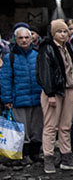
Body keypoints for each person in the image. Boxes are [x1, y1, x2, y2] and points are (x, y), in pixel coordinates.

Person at [36, 19, 73, 173]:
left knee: (65, 126)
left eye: (65, 31)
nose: (63, 34)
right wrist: (49, 93)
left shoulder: (67, 47)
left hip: (69, 90)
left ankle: (66, 157)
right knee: (51, 126)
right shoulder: (47, 48)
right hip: (54, 91)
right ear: (53, 33)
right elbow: (44, 72)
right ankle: (48, 158)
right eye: (59, 32)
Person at [0, 26, 43, 163]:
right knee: (22, 130)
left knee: (37, 128)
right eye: (20, 38)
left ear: (32, 39)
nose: (24, 40)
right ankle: (24, 156)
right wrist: (6, 99)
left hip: (37, 98)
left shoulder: (38, 55)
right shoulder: (10, 57)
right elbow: (5, 80)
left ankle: (35, 154)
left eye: (26, 37)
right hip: (18, 99)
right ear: (15, 39)